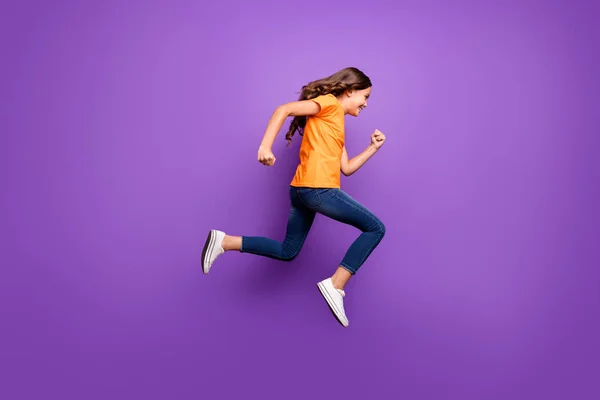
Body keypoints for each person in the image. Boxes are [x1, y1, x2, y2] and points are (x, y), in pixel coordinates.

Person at [201, 67, 386, 327]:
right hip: (317, 189)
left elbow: (346, 169)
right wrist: (264, 146)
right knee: (376, 228)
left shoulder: (336, 124)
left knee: (288, 251)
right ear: (349, 91)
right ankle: (335, 285)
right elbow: (283, 109)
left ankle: (224, 241)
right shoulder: (329, 103)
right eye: (365, 97)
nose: (366, 103)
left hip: (301, 190)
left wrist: (372, 148)